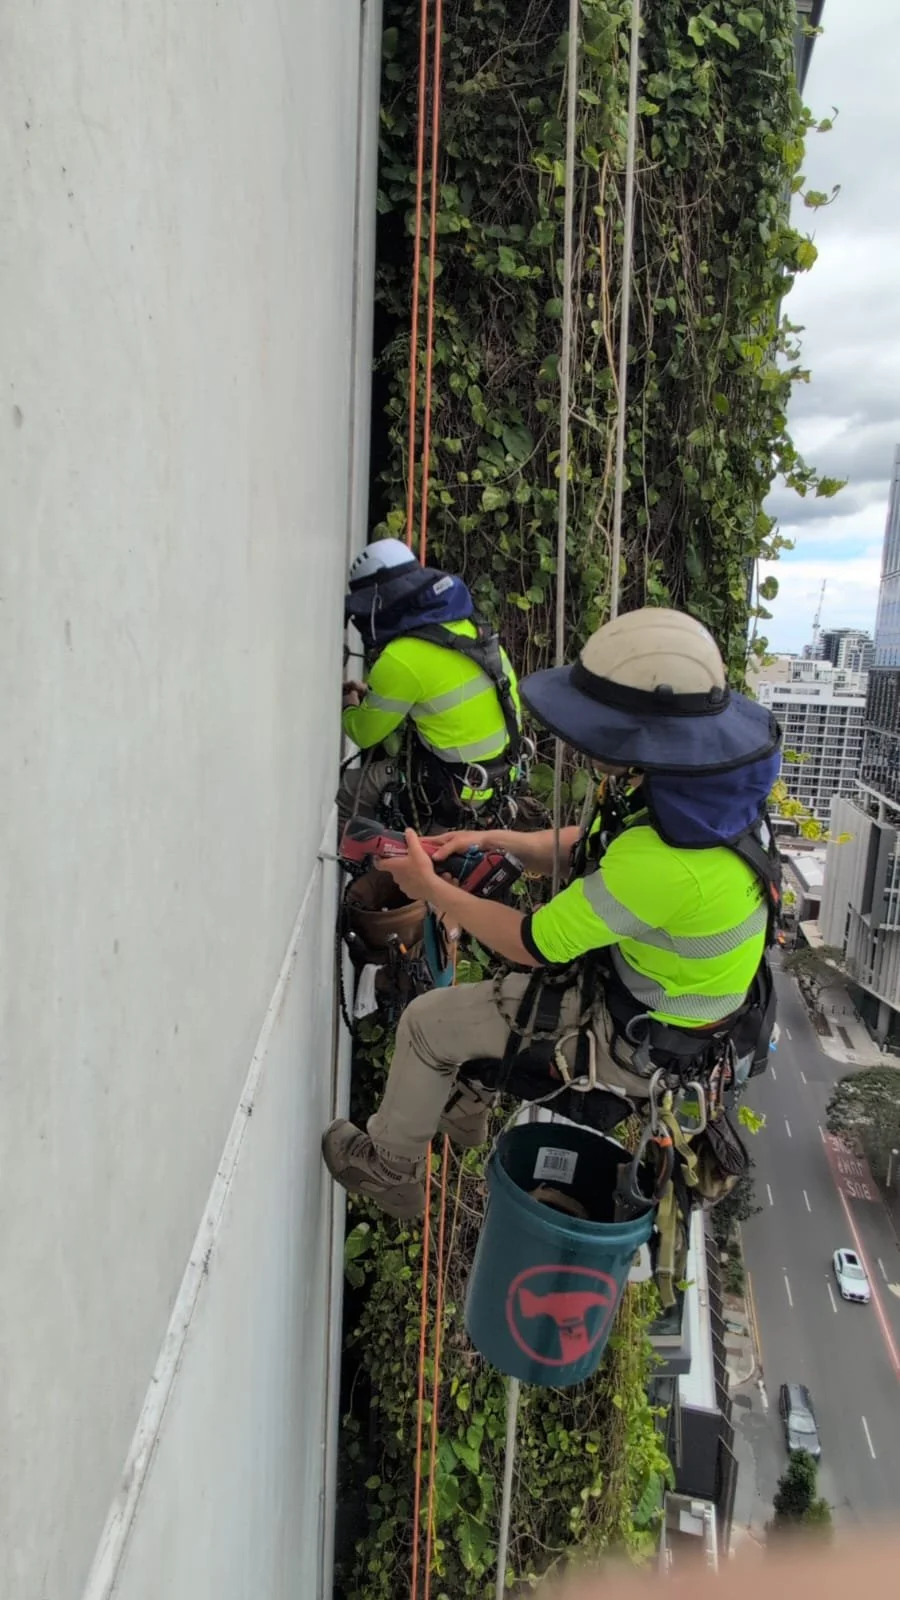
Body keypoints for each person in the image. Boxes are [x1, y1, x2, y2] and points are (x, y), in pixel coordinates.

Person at [323, 606, 782, 1219]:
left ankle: (391, 1170)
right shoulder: (710, 798)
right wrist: (491, 841)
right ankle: (466, 1111)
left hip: (635, 1043)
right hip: (670, 1013)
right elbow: (589, 847)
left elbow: (529, 942)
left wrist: (427, 886)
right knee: (483, 1013)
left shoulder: (667, 861)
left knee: (429, 1024)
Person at [339, 538, 523, 829]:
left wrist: (349, 706)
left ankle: (365, 861)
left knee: (349, 790)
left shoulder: (402, 657)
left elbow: (364, 734)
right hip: (497, 779)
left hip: (457, 785)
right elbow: (441, 695)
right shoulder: (469, 627)